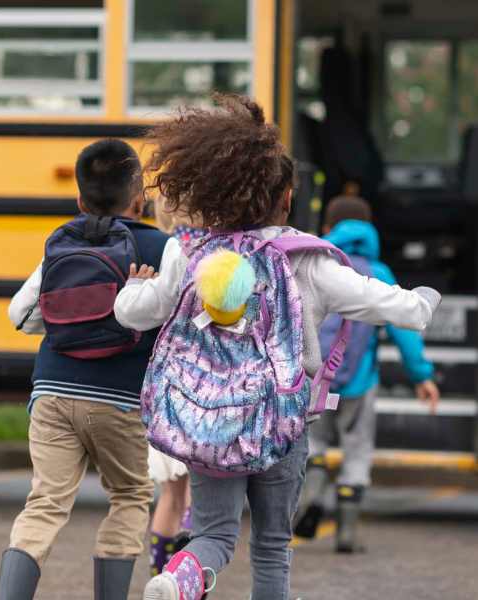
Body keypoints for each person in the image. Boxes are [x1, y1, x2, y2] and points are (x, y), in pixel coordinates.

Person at [113, 94, 441, 600]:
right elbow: (390, 306)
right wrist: (423, 300)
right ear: (286, 196)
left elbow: (135, 313)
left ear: (211, 195)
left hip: (208, 423)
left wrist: (133, 289)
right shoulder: (307, 260)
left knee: (214, 535)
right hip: (280, 427)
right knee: (271, 544)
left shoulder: (187, 251)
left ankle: (182, 577)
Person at [0, 139, 172, 600]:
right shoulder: (160, 246)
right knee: (130, 496)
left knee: (46, 503)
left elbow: (20, 314)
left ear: (79, 199)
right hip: (121, 399)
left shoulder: (62, 240)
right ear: (140, 197)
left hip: (51, 392)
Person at [293, 195, 440, 553]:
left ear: (328, 229)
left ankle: (312, 488)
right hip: (360, 380)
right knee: (357, 451)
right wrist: (421, 375)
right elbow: (405, 330)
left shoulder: (316, 266)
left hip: (315, 379)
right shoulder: (380, 272)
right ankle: (346, 533)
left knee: (315, 443)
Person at [146, 195, 207, 577]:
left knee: (171, 492)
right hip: (202, 387)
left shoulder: (161, 251)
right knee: (196, 495)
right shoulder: (209, 253)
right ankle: (179, 575)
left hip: (165, 385)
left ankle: (160, 573)